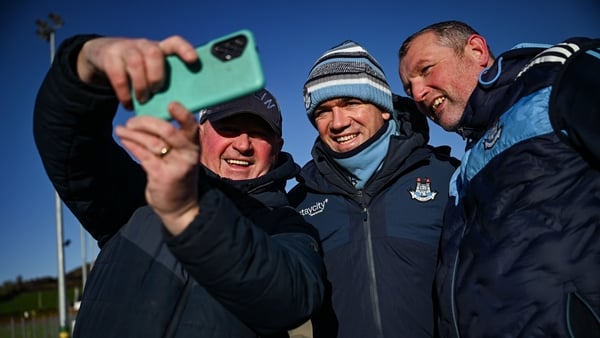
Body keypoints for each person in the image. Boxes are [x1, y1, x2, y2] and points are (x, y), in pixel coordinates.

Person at [33, 34, 326, 338]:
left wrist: (189, 212)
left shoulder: (290, 224)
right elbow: (69, 146)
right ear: (201, 134)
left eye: (258, 133)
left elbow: (291, 298)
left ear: (277, 147)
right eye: (228, 127)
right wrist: (87, 63)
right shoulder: (141, 195)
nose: (242, 144)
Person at [398, 20, 600, 337]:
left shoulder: (559, 76)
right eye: (409, 88)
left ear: (476, 50)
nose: (418, 94)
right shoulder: (462, 171)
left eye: (425, 70)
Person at [288, 40, 460, 337]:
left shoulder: (448, 177)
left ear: (383, 108)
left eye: (351, 103)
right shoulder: (301, 201)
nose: (338, 122)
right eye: (323, 111)